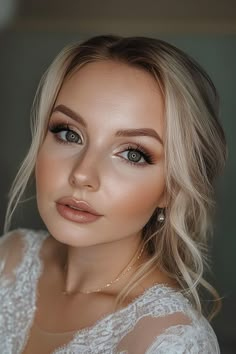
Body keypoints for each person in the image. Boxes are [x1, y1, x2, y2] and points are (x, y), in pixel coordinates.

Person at [0, 35, 227, 353]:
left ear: (172, 188)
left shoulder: (169, 340)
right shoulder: (10, 258)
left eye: (133, 154)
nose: (82, 174)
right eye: (69, 133)